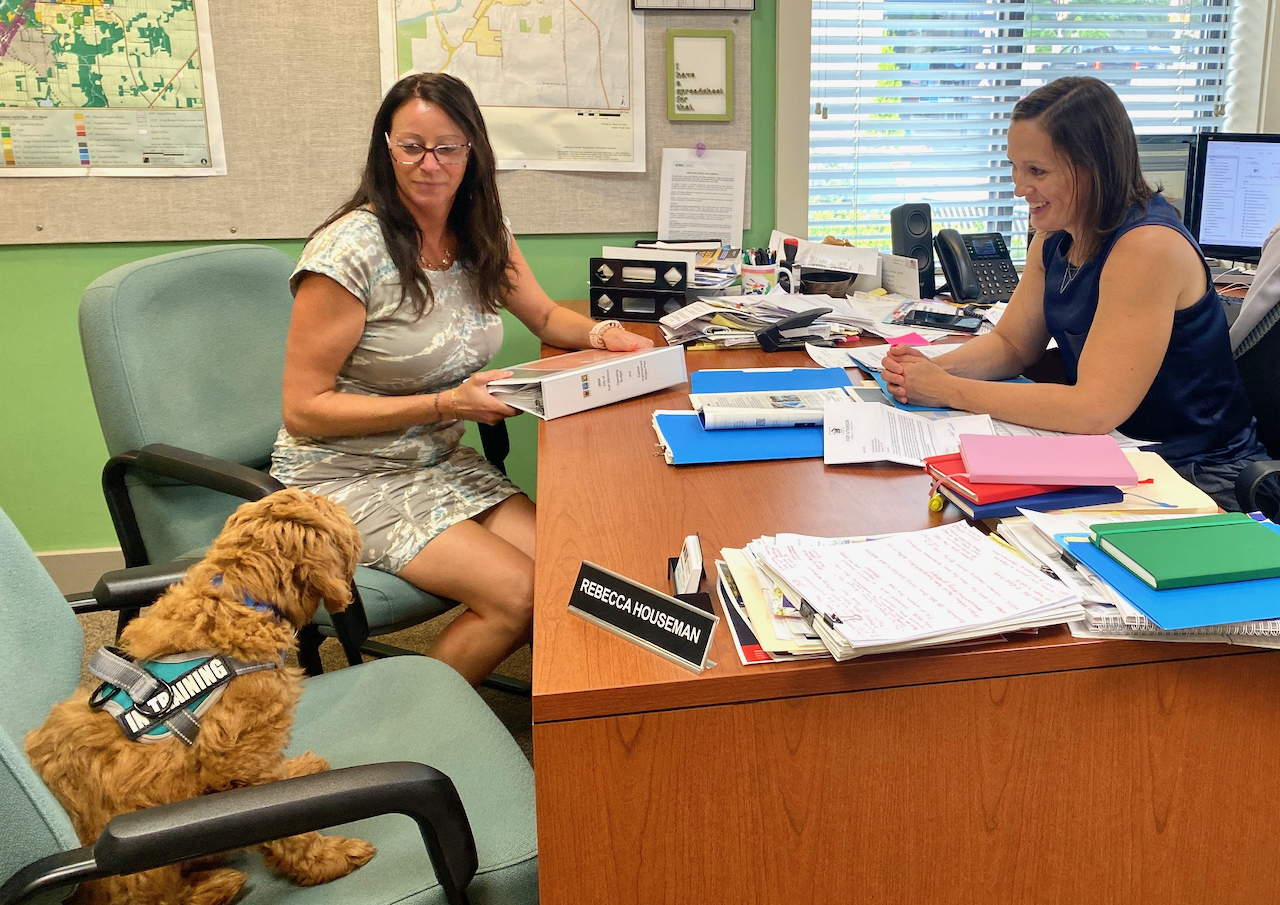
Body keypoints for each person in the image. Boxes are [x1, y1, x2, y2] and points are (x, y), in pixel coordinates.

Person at [271, 72, 653, 685]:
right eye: (412, 146)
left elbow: (546, 314)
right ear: (386, 149)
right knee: (521, 594)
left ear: (472, 151)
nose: (430, 163)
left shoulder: (480, 231)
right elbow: (304, 409)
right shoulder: (349, 251)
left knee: (579, 569)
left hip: (439, 461)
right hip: (346, 478)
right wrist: (448, 402)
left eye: (448, 147)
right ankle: (400, 748)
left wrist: (607, 336)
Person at [880, 76, 1269, 510]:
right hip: (1119, 454)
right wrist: (925, 371)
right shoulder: (1055, 237)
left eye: (1037, 171)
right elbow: (1012, 345)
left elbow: (1093, 409)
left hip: (1197, 473)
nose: (1018, 187)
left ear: (1093, 167)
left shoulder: (1147, 247)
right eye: (1014, 166)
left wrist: (947, 390)